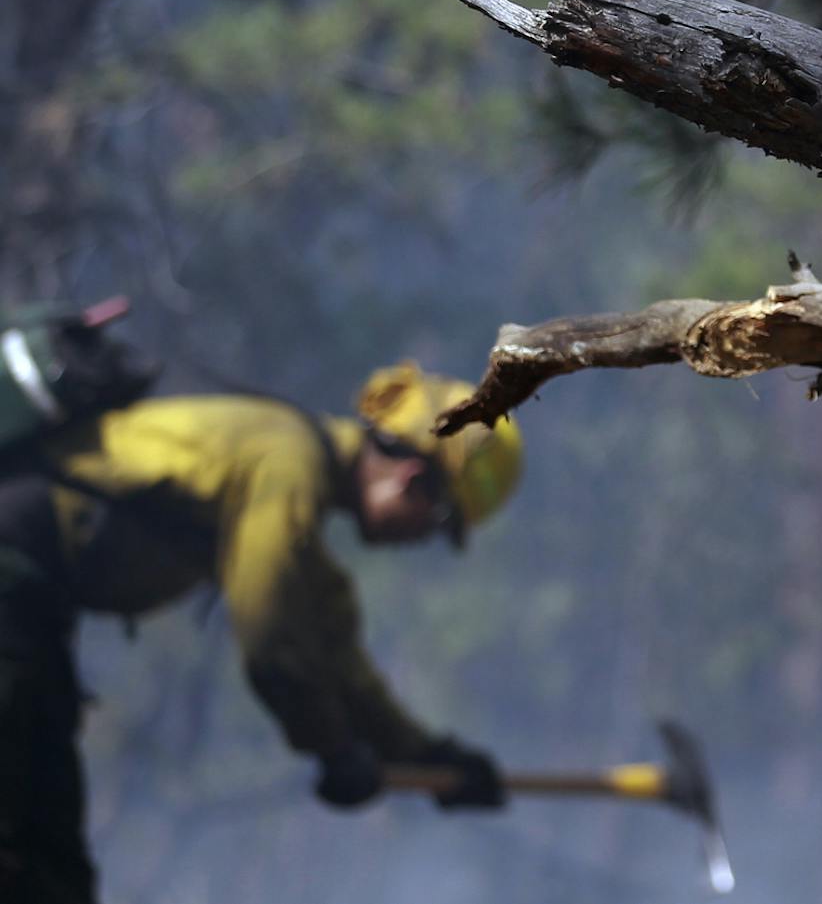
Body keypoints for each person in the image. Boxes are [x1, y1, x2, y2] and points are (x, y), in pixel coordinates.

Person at [0, 361, 523, 903]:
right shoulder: (287, 462)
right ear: (412, 480)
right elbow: (271, 635)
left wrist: (434, 758)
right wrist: (333, 748)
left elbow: (337, 660)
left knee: (49, 864)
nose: (420, 540)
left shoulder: (296, 488)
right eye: (438, 522)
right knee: (24, 849)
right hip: (12, 580)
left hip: (28, 607)